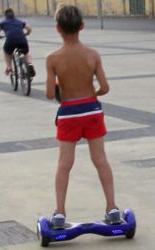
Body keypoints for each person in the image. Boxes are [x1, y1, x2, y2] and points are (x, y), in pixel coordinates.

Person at [45, 4, 119, 229]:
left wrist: (60, 85)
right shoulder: (93, 55)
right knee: (100, 160)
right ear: (82, 26)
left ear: (58, 28)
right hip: (92, 110)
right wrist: (91, 94)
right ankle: (112, 208)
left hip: (69, 113)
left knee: (65, 163)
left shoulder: (53, 58)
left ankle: (59, 212)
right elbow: (105, 87)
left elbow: (50, 94)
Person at [0, 8, 35, 78]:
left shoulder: (3, 23)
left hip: (10, 41)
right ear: (14, 15)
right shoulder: (19, 21)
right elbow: (29, 28)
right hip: (22, 40)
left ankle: (9, 68)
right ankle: (29, 64)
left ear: (5, 16)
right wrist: (27, 33)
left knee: (7, 52)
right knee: (26, 52)